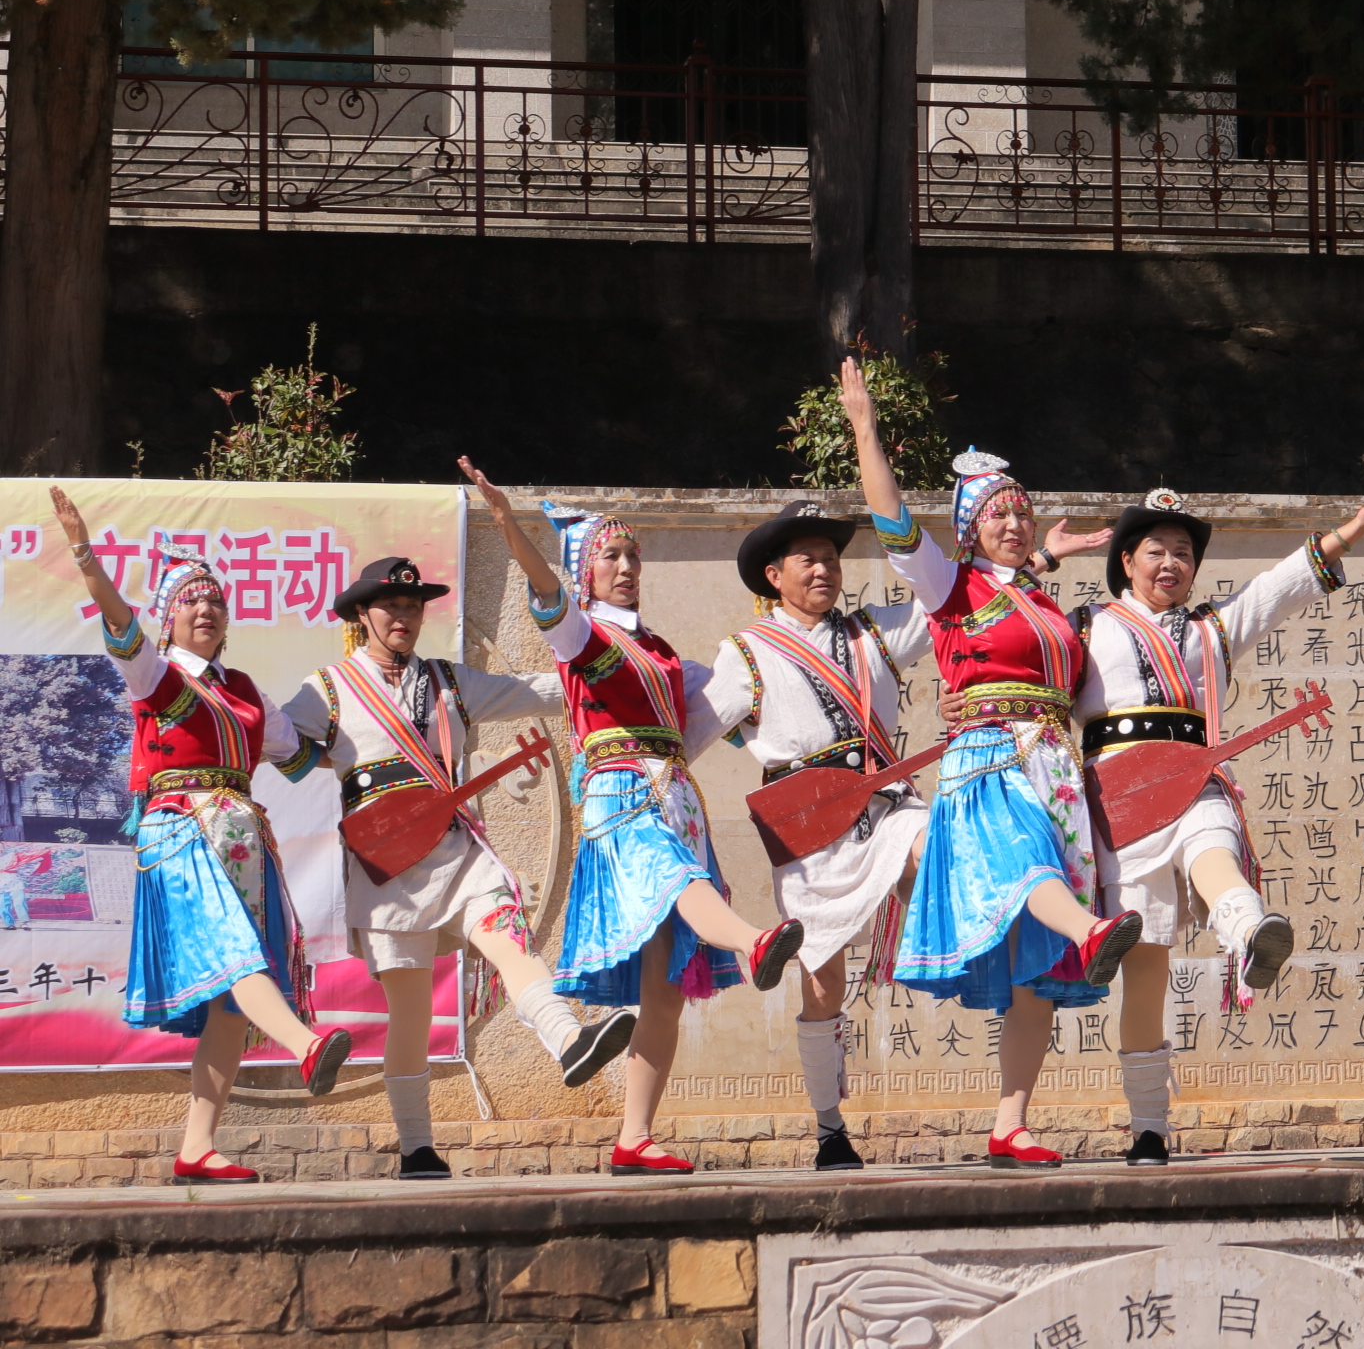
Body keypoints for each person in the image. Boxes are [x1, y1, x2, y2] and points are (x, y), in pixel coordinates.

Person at [834, 359, 1147, 1167]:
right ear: (968, 529)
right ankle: (1094, 931)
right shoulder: (949, 588)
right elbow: (893, 519)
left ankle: (1011, 1123)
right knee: (1023, 865)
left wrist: (1045, 562)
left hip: (1053, 766)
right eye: (997, 513)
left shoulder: (1037, 597)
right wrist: (866, 428)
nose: (1014, 521)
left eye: (1021, 511)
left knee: (1035, 971)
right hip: (989, 759)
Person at [457, 458, 803, 1175]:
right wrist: (509, 525)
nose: (625, 567)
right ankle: (752, 941)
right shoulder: (582, 637)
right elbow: (546, 593)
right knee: (677, 880)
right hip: (621, 795)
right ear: (585, 571)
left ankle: (635, 1137)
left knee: (664, 991)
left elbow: (736, 698)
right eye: (610, 555)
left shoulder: (661, 651)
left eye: (632, 555)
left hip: (675, 797)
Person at [1078, 475, 1364, 1165]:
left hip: (1195, 778)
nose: (1171, 563)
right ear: (1126, 560)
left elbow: (1281, 586)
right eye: (1157, 551)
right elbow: (1021, 671)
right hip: (1120, 799)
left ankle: (1250, 933)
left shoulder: (1212, 629)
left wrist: (1356, 524)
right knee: (1146, 967)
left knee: (1215, 850)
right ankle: (1148, 1128)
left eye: (1183, 553)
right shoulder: (1084, 627)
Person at [279, 556, 635, 1180]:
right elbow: (271, 737)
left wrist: (612, 661)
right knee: (412, 1013)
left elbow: (539, 690)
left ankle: (568, 1039)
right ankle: (416, 1148)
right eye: (391, 606)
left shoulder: (449, 681)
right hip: (386, 871)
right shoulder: (328, 689)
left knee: (508, 936)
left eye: (413, 606)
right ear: (362, 614)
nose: (404, 616)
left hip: (456, 850)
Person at [49, 488, 352, 1183]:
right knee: (236, 953)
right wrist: (88, 557)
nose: (206, 608)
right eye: (190, 599)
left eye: (215, 598)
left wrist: (385, 754)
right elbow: (119, 624)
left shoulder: (245, 691)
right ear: (169, 617)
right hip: (181, 831)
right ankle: (307, 1046)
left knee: (230, 1000)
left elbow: (304, 755)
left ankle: (197, 1147)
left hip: (241, 837)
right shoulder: (154, 675)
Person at [694, 498, 950, 1169]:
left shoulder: (874, 632)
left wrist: (1029, 559)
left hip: (886, 803)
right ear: (773, 575)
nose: (823, 570)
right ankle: (830, 1128)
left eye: (832, 558)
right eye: (808, 559)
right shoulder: (745, 653)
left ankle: (965, 952)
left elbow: (948, 600)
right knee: (823, 982)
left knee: (934, 846)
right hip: (808, 829)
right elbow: (692, 730)